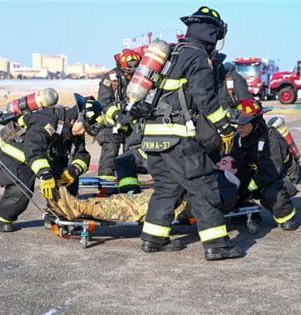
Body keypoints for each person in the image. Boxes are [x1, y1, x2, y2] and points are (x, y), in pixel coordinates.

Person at [138, 6, 242, 261]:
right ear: (213, 34)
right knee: (203, 186)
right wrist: (224, 126)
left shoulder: (173, 54)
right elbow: (204, 99)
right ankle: (217, 245)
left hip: (152, 137)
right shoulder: (197, 57)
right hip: (177, 137)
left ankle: (152, 238)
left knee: (167, 188)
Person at [0, 98, 94, 232]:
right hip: (16, 152)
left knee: (67, 179)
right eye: (85, 128)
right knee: (22, 191)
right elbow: (33, 149)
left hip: (40, 155)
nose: (83, 133)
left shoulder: (74, 128)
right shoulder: (47, 119)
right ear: (78, 119)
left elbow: (82, 155)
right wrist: (45, 175)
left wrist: (72, 171)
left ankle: (55, 214)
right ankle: (1, 216)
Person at [49, 155, 243, 222]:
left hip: (182, 204)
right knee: (123, 201)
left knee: (129, 207)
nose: (219, 163)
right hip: (173, 197)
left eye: (224, 162)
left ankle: (77, 207)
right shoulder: (215, 175)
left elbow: (219, 202)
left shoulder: (229, 183)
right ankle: (74, 205)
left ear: (234, 169)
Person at [230, 98, 299, 231]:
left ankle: (286, 215)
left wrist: (246, 188)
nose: (239, 128)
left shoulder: (271, 138)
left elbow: (271, 170)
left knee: (271, 193)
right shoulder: (239, 138)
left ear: (255, 122)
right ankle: (249, 213)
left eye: (243, 124)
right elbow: (235, 161)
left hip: (280, 177)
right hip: (256, 175)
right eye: (237, 125)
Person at [96, 49, 142, 182]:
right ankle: (106, 188)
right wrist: (117, 115)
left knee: (130, 156)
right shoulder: (110, 79)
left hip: (131, 124)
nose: (131, 75)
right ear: (121, 68)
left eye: (134, 71)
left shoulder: (139, 78)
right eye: (128, 71)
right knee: (109, 156)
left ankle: (129, 187)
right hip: (112, 125)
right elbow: (103, 102)